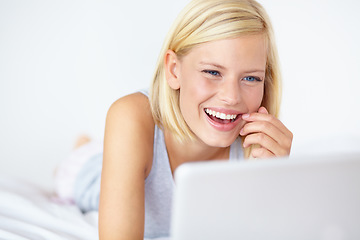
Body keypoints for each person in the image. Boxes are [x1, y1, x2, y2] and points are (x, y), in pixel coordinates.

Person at [54, 0, 293, 239]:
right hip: (98, 168)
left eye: (250, 78)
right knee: (77, 173)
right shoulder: (130, 117)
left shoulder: (259, 148)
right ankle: (83, 146)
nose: (231, 97)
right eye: (212, 72)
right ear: (174, 70)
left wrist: (275, 180)